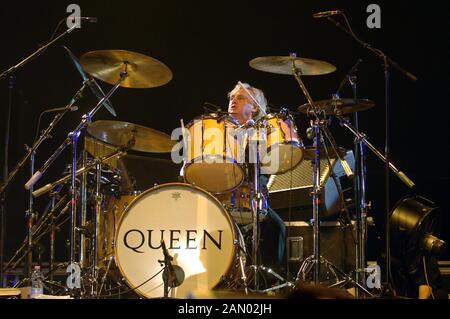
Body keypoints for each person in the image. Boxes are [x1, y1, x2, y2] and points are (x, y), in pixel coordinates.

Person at [226, 82, 286, 275]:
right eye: (232, 97)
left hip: (251, 197)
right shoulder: (217, 131)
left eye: (241, 97)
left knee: (276, 227)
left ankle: (269, 279)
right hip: (221, 192)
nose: (234, 100)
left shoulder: (263, 133)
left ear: (254, 107)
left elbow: (266, 168)